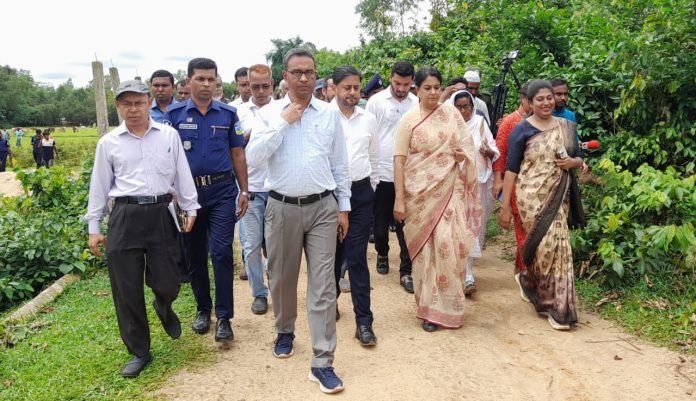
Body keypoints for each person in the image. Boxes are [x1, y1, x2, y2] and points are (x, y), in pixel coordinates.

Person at [246, 48, 350, 394]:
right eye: (296, 72)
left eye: (309, 72)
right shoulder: (269, 114)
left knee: (323, 285)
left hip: (322, 207)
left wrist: (343, 207)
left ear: (316, 76)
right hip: (281, 207)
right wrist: (283, 121)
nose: (303, 78)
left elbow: (340, 164)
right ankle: (284, 330)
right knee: (282, 278)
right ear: (285, 77)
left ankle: (323, 361)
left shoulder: (329, 114)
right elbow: (253, 158)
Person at [85, 79, 200, 378]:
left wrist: (190, 207)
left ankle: (164, 304)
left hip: (161, 213)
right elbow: (99, 185)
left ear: (149, 103)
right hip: (125, 215)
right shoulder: (109, 143)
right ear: (118, 107)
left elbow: (182, 173)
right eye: (127, 104)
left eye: (138, 103)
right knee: (126, 288)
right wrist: (94, 227)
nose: (133, 109)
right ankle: (139, 351)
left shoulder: (168, 136)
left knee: (169, 280)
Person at [163, 57, 249, 343]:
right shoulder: (174, 115)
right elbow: (165, 156)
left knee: (222, 252)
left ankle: (224, 317)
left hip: (222, 191)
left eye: (211, 79)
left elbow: (237, 153)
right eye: (200, 78)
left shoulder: (228, 114)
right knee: (194, 253)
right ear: (189, 81)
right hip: (188, 196)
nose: (206, 84)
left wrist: (244, 190)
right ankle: (203, 309)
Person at [392, 66, 481, 332]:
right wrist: (399, 199)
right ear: (417, 89)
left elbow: (468, 149)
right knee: (425, 253)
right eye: (427, 88)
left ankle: (450, 307)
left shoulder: (451, 114)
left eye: (436, 87)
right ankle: (429, 309)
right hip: (418, 195)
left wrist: (462, 157)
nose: (432, 92)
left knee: (447, 245)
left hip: (449, 191)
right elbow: (399, 160)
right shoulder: (409, 120)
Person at [499, 79, 583, 331]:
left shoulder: (566, 127)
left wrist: (573, 163)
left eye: (549, 98)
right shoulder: (521, 130)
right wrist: (505, 206)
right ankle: (533, 284)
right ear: (530, 102)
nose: (546, 103)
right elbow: (511, 170)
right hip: (530, 197)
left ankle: (557, 307)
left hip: (558, 195)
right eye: (540, 99)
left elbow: (579, 157)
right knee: (542, 248)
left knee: (557, 247)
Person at [331, 65, 379, 346]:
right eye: (346, 87)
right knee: (331, 257)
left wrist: (370, 189)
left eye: (356, 88)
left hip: (360, 195)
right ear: (334, 88)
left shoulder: (368, 119)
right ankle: (330, 305)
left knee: (357, 257)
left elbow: (374, 157)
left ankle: (364, 322)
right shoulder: (324, 117)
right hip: (329, 197)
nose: (352, 93)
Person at [366, 61, 418, 293]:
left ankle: (406, 271)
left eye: (406, 84)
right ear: (390, 78)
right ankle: (383, 253)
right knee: (379, 225)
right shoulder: (376, 102)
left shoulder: (416, 103)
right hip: (382, 173)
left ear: (412, 82)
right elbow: (368, 136)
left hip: (409, 174)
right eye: (397, 83)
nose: (401, 89)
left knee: (406, 225)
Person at [449, 90, 499, 294]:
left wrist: (489, 152)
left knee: (473, 228)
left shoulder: (479, 123)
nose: (463, 111)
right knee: (456, 228)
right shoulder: (448, 125)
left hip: (478, 184)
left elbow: (493, 148)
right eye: (459, 107)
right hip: (454, 186)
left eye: (467, 107)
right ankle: (454, 272)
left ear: (473, 107)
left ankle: (468, 274)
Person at [236, 63, 275, 315]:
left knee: (276, 248)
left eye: (265, 86)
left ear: (272, 84)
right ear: (247, 85)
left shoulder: (283, 110)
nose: (260, 91)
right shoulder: (236, 113)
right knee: (250, 247)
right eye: (255, 86)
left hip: (277, 190)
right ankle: (259, 293)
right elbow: (230, 148)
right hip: (248, 191)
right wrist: (248, 136)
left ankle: (277, 287)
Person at [492, 81, 531, 274]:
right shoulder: (510, 122)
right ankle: (526, 274)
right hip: (516, 183)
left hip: (538, 185)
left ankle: (521, 268)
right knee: (523, 230)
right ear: (523, 99)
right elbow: (500, 152)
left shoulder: (545, 122)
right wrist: (498, 179)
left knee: (532, 231)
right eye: (532, 100)